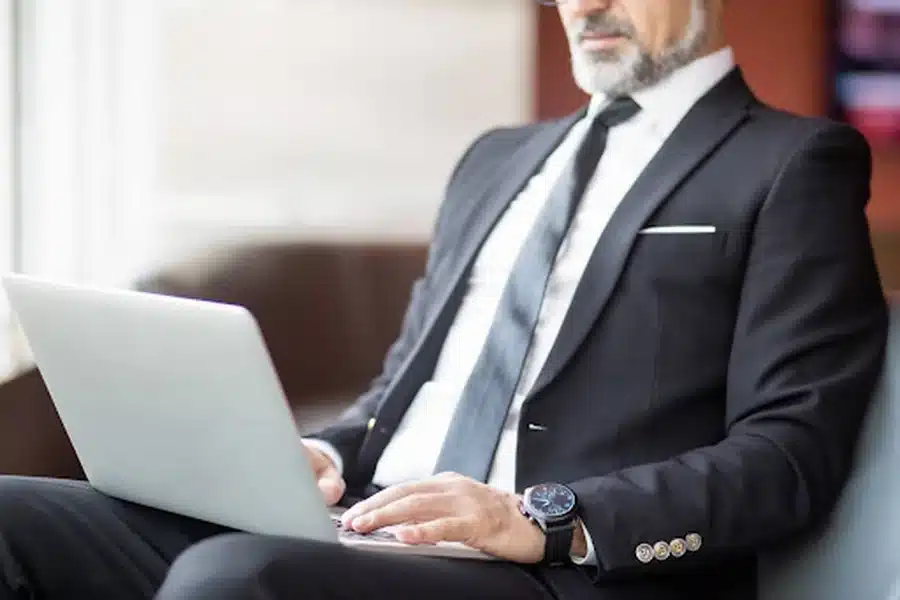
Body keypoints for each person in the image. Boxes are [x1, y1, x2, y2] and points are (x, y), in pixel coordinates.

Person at [0, 0, 889, 598]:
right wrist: (321, 454)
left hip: (554, 569)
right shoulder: (493, 160)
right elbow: (403, 394)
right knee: (14, 513)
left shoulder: (791, 163)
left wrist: (538, 518)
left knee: (236, 577)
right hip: (374, 526)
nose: (585, 3)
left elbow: (788, 457)